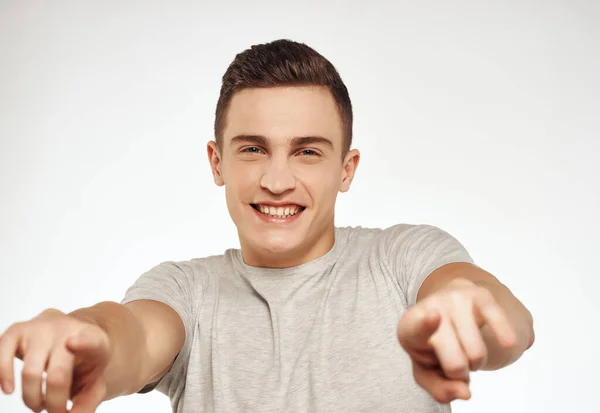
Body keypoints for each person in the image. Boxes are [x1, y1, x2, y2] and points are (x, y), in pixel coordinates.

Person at [0, 39, 534, 413]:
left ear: (346, 170)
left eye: (307, 152)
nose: (277, 180)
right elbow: (133, 336)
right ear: (217, 163)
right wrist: (87, 335)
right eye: (253, 149)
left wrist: (473, 314)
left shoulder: (405, 258)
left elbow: (503, 322)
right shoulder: (187, 290)